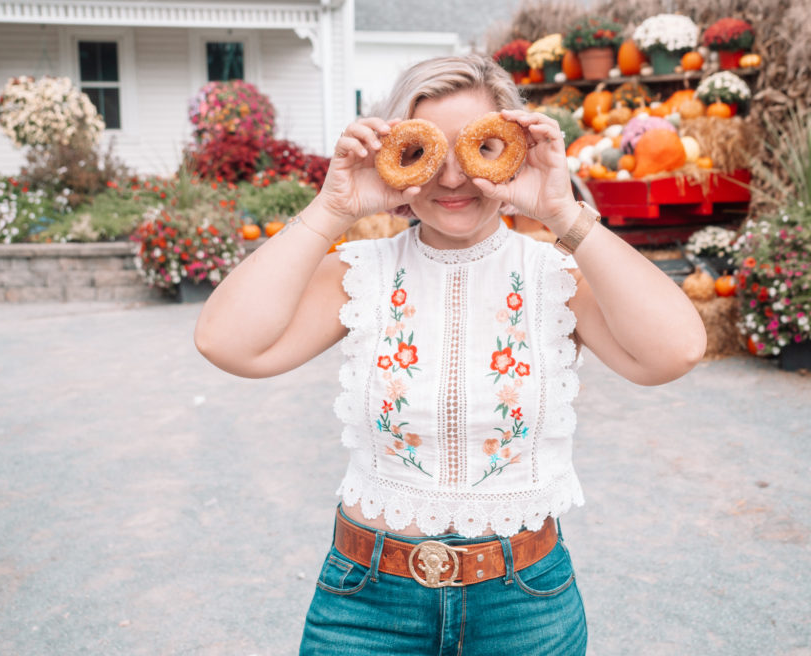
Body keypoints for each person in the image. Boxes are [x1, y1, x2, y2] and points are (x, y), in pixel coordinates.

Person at [194, 54, 707, 655]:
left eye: (478, 150)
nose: (454, 178)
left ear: (513, 147)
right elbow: (226, 342)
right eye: (428, 153)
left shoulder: (559, 275)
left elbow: (676, 351)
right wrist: (331, 209)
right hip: (366, 605)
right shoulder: (359, 273)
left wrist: (563, 212)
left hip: (525, 605)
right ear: (397, 154)